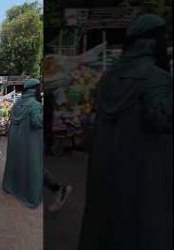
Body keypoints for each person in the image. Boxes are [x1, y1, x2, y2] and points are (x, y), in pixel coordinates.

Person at [78, 14, 172, 250]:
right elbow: (160, 120)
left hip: (108, 171)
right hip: (144, 176)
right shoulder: (157, 79)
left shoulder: (108, 77)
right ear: (151, 43)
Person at [2, 78, 44, 208]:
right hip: (29, 141)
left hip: (16, 140)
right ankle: (31, 195)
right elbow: (37, 123)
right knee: (31, 166)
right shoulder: (35, 105)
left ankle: (11, 187)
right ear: (35, 89)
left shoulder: (17, 103)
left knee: (16, 164)